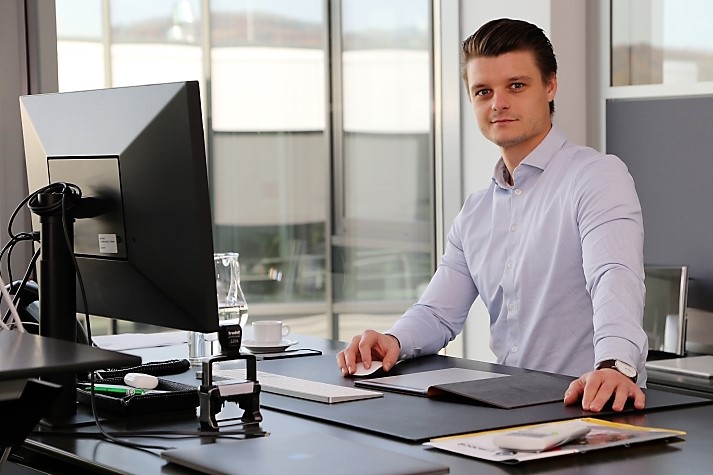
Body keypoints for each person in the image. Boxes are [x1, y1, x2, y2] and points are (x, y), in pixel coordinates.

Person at [336, 18, 648, 413]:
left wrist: (615, 365)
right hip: (509, 410)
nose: (498, 103)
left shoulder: (596, 176)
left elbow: (614, 276)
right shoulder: (475, 211)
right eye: (483, 91)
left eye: (516, 86)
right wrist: (393, 341)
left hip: (592, 406)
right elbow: (438, 312)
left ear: (550, 86)